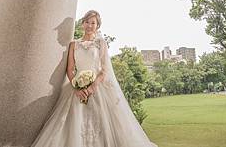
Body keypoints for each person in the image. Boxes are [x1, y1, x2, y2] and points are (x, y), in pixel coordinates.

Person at [32, 10, 158, 147]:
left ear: (97, 26)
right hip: (77, 89)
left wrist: (92, 87)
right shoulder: (74, 44)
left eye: (93, 23)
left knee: (102, 124)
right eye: (87, 22)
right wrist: (77, 87)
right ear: (82, 24)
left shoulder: (100, 43)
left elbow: (104, 70)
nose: (89, 25)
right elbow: (70, 69)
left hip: (98, 87)